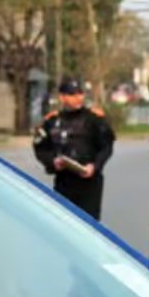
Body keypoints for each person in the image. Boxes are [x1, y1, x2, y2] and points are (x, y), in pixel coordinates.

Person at [32, 77, 116, 221]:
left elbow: (107, 146)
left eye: (80, 93)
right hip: (64, 180)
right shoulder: (52, 121)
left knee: (88, 224)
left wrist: (95, 166)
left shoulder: (94, 119)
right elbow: (40, 147)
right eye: (72, 94)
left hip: (89, 183)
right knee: (64, 222)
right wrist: (53, 161)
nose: (78, 98)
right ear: (62, 97)